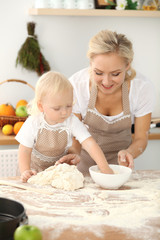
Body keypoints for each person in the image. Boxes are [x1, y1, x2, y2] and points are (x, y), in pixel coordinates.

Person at [61, 29, 155, 174]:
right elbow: (75, 135)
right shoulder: (76, 86)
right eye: (98, 73)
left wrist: (130, 152)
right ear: (91, 63)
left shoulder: (141, 88)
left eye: (115, 74)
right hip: (82, 167)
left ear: (127, 65)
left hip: (120, 170)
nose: (106, 81)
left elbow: (141, 138)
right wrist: (74, 154)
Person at [16, 71, 114, 182]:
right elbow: (24, 150)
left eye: (68, 106)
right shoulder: (33, 122)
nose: (64, 112)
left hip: (58, 173)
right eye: (57, 108)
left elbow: (90, 144)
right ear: (41, 106)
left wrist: (105, 168)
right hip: (34, 171)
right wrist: (25, 171)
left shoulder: (71, 121)